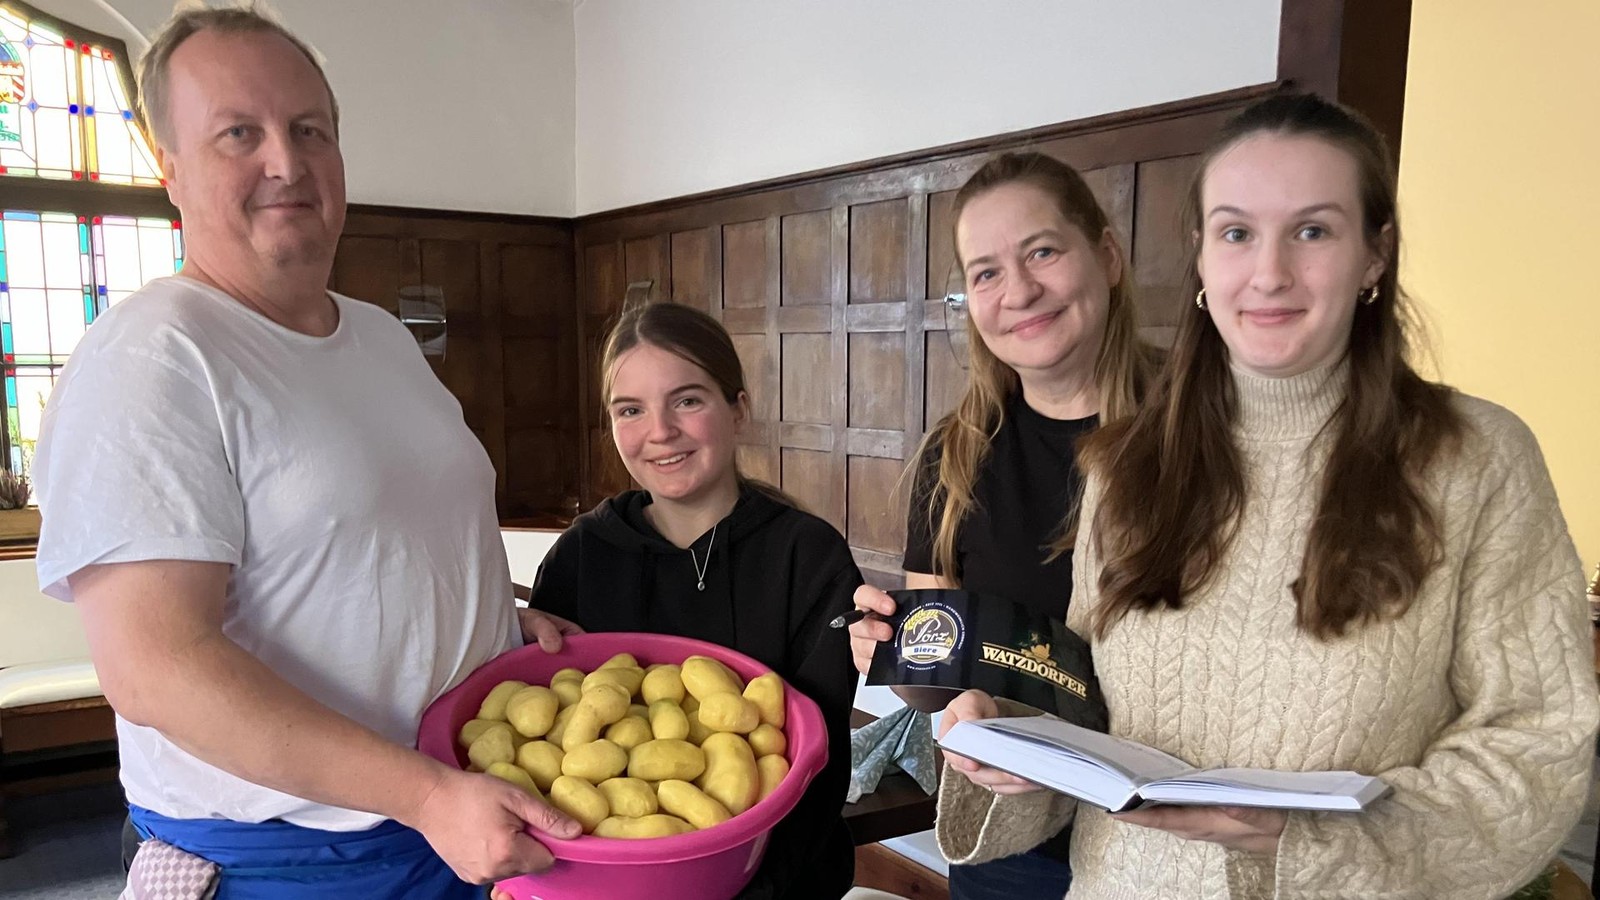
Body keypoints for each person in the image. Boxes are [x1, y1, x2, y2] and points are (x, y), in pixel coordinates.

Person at [935, 92, 1599, 899]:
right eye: (1238, 233)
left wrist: (1307, 843)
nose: (1270, 272)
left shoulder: (1477, 461)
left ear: (1375, 254)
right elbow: (1087, 706)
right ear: (1204, 260)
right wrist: (1010, 742)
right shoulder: (1129, 463)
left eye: (1312, 230)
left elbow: (1536, 742)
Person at [32, 7, 579, 898]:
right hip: (301, 860)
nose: (286, 161)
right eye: (238, 133)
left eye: (310, 129)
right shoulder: (154, 357)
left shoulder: (378, 337)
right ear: (167, 167)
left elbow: (365, 546)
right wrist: (428, 796)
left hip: (459, 811)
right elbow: (159, 669)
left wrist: (481, 618)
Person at [846, 151, 1154, 899]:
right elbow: (933, 691)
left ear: (1107, 255)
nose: (1019, 291)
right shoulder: (954, 458)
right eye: (985, 272)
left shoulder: (1203, 426)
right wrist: (897, 654)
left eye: (1042, 251)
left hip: (1166, 835)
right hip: (1010, 840)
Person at [521, 301, 860, 900]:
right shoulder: (580, 555)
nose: (660, 431)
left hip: (774, 885)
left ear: (739, 409)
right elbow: (538, 745)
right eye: (631, 410)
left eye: (687, 400)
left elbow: (817, 766)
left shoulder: (807, 556)